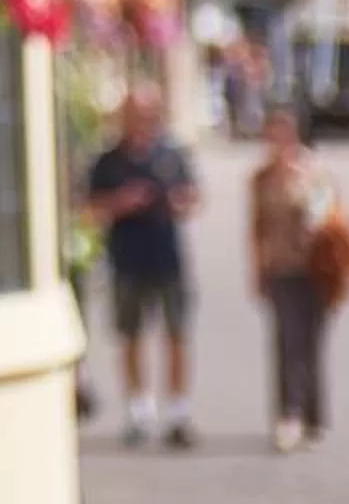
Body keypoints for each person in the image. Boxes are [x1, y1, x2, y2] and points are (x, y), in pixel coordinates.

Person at [85, 85, 201, 448]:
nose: (143, 121)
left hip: (167, 257)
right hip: (127, 259)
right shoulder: (108, 160)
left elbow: (193, 195)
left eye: (149, 114)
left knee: (176, 334)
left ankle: (179, 412)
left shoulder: (171, 154)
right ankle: (139, 410)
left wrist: (181, 202)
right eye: (135, 114)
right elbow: (88, 208)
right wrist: (122, 202)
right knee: (131, 335)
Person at [250, 103, 335, 452]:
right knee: (286, 342)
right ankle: (289, 414)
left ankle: (314, 413)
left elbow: (327, 216)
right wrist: (256, 268)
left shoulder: (313, 170)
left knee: (312, 342)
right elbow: (256, 228)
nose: (278, 139)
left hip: (315, 269)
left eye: (284, 130)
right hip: (281, 268)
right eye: (273, 131)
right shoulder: (261, 178)